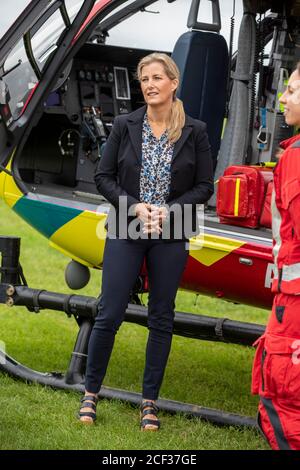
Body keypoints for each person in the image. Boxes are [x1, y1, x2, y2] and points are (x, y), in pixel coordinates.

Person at [78, 53, 214, 430]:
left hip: (171, 229)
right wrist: (136, 207)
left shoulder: (196, 130)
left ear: (173, 82)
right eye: (144, 80)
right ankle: (90, 393)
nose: (150, 85)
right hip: (128, 224)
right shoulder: (125, 124)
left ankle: (149, 402)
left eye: (157, 77)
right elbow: (104, 177)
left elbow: (205, 186)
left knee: (161, 317)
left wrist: (169, 210)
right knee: (110, 312)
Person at [252, 63, 300, 450]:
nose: (283, 98)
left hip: (296, 301)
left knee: (284, 399)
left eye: (292, 91)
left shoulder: (296, 159)